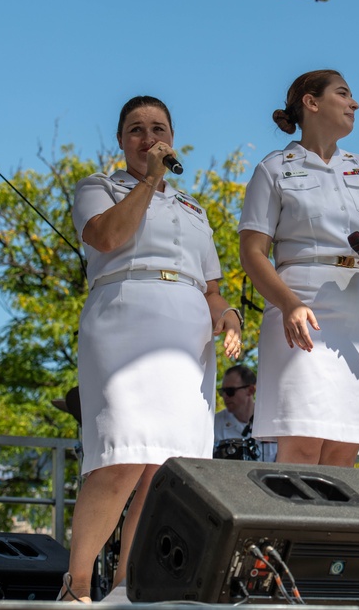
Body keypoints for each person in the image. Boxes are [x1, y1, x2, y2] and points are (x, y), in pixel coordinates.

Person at [63, 95, 242, 602]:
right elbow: (108, 236)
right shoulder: (98, 188)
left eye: (157, 128)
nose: (148, 138)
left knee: (165, 470)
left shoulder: (193, 208)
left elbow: (212, 286)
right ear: (121, 140)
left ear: (172, 138)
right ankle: (76, 586)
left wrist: (227, 315)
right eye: (136, 130)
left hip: (186, 338)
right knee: (119, 455)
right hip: (124, 317)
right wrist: (148, 182)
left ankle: (127, 586)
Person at [239, 69, 359, 467]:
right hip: (300, 306)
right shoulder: (273, 168)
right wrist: (288, 304)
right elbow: (252, 252)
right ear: (311, 102)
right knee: (302, 443)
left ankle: (328, 532)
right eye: (344, 93)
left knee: (343, 447)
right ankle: (291, 531)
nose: (354, 103)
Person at [214, 365, 277, 462]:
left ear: (250, 390)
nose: (225, 396)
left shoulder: (273, 422)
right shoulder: (215, 424)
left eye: (230, 391)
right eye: (222, 392)